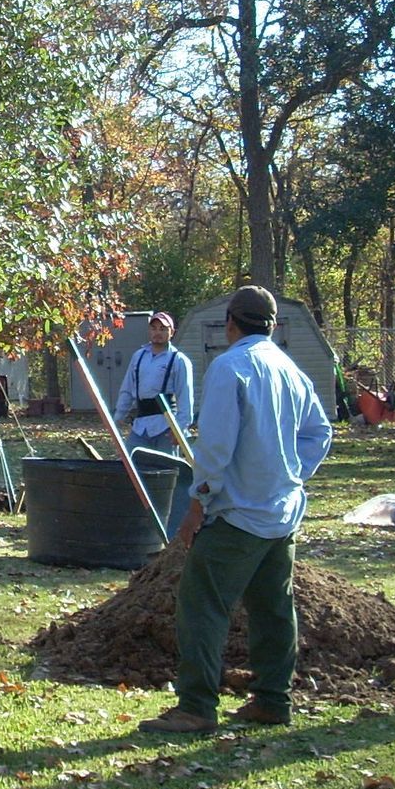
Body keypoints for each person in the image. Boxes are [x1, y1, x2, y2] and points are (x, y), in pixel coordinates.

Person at [141, 284, 333, 735]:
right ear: (272, 325)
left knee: (202, 604)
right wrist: (289, 474)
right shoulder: (290, 368)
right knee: (273, 609)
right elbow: (320, 433)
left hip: (237, 514)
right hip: (281, 513)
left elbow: (216, 446)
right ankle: (272, 700)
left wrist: (196, 504)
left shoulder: (230, 367)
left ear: (231, 322)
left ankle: (196, 707)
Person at [114, 311, 192, 456]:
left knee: (166, 471)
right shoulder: (139, 356)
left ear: (172, 332)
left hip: (166, 427)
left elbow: (185, 398)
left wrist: (180, 429)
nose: (157, 332)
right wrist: (118, 417)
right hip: (140, 426)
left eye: (163, 329)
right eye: (154, 328)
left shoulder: (179, 360)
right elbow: (127, 389)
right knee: (131, 467)